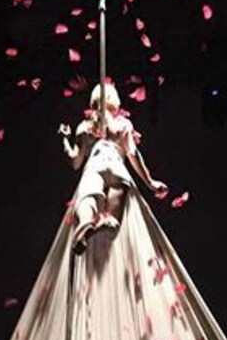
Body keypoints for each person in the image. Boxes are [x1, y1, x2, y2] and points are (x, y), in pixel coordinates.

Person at [0, 82, 227, 340]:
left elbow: (110, 159)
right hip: (107, 169)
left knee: (100, 196)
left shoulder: (105, 127)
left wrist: (147, 179)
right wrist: (70, 141)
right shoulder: (102, 127)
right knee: (101, 201)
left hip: (105, 168)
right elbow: (103, 159)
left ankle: (98, 220)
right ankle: (96, 221)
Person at [59, 82, 169, 255]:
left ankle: (85, 223)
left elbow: (75, 162)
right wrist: (150, 182)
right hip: (118, 170)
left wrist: (65, 139)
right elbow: (133, 154)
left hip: (95, 166)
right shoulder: (123, 124)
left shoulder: (85, 128)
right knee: (112, 222)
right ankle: (97, 228)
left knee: (87, 199)